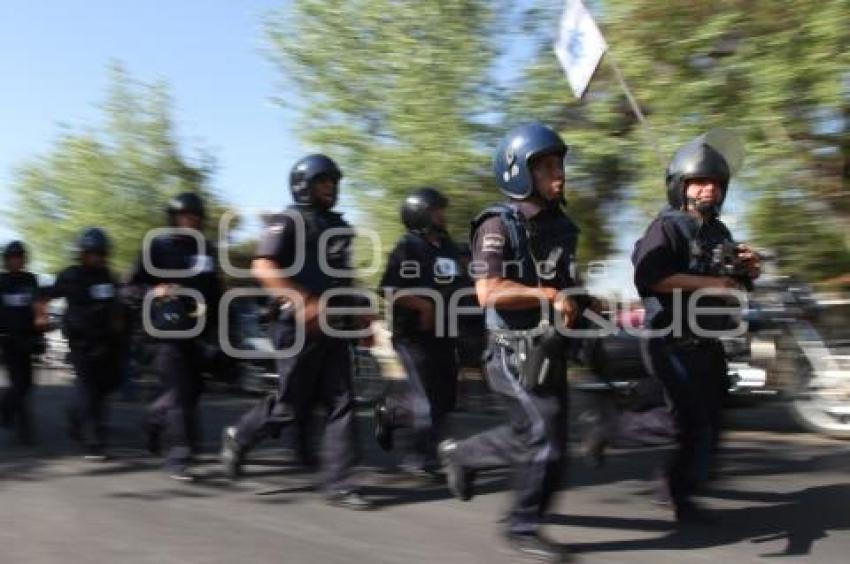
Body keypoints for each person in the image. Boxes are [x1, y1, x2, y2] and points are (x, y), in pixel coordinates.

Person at [438, 123, 585, 561]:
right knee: (541, 439)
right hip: (509, 351)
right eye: (545, 168)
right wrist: (549, 295)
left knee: (548, 442)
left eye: (559, 165)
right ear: (518, 173)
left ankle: (464, 455)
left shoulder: (562, 227)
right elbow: (489, 291)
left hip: (548, 349)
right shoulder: (496, 224)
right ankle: (521, 527)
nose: (557, 175)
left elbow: (563, 283)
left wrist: (582, 304)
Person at [220, 154, 374, 510]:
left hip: (332, 324)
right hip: (295, 325)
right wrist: (301, 300)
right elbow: (263, 265)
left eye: (333, 183)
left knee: (341, 400)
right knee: (290, 406)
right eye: (323, 182)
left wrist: (363, 315)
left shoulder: (338, 227)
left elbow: (343, 277)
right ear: (303, 184)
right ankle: (240, 436)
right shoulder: (288, 220)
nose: (330, 188)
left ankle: (340, 483)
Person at [631, 134, 760, 524]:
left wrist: (749, 269)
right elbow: (650, 276)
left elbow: (733, 280)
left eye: (715, 183)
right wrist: (711, 284)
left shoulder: (719, 233)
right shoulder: (667, 227)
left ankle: (676, 490)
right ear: (681, 187)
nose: (709, 189)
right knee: (688, 420)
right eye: (699, 182)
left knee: (714, 418)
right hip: (670, 339)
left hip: (708, 342)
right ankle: (607, 428)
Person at [127, 192, 223, 480]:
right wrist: (152, 292)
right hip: (163, 332)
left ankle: (151, 420)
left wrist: (219, 332)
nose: (191, 221)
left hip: (197, 331)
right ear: (173, 218)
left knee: (191, 391)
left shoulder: (207, 250)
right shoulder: (156, 247)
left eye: (196, 217)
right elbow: (128, 289)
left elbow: (215, 293)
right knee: (180, 394)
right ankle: (178, 457)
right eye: (185, 216)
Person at [373, 187, 468, 478]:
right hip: (413, 336)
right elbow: (389, 290)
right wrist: (424, 307)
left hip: (445, 334)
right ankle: (418, 459)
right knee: (424, 401)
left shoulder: (449, 247)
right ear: (421, 215)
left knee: (445, 399)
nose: (442, 215)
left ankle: (389, 414)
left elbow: (463, 281)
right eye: (437, 210)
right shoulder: (408, 247)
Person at [50, 228, 127, 460]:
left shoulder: (108, 277)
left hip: (107, 343)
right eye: (92, 252)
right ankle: (95, 442)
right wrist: (40, 314)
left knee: (104, 390)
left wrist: (121, 332)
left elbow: (118, 306)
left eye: (100, 253)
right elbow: (47, 295)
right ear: (82, 253)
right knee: (89, 392)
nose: (97, 257)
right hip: (81, 344)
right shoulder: (70, 276)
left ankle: (75, 417)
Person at [0, 241, 47, 444]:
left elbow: (38, 306)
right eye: (12, 257)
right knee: (19, 384)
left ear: (24, 259)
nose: (15, 260)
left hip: (28, 339)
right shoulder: (0, 281)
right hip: (7, 339)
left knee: (26, 384)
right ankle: (23, 428)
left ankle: (8, 413)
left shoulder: (31, 280)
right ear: (6, 260)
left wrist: (40, 330)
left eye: (19, 257)